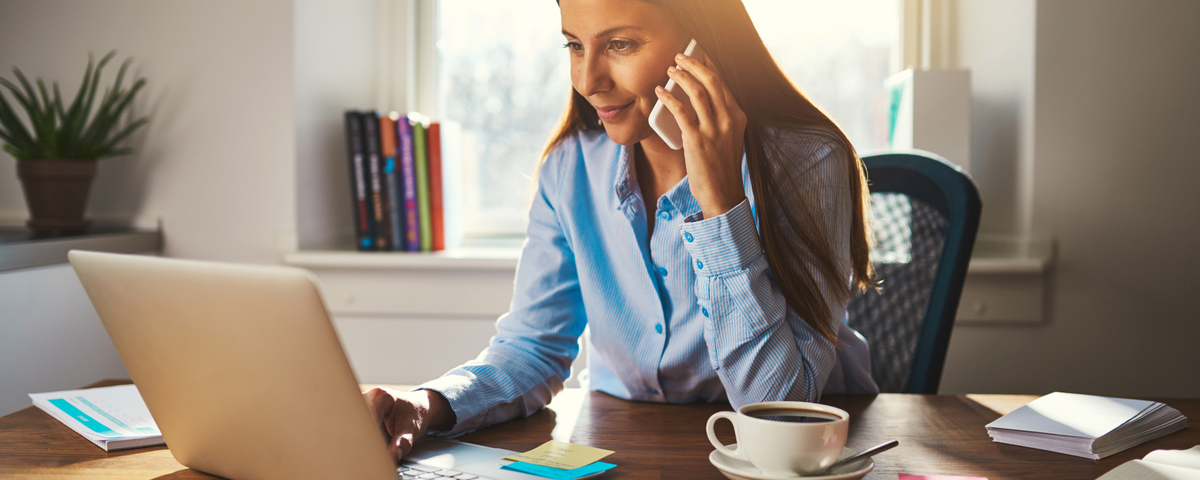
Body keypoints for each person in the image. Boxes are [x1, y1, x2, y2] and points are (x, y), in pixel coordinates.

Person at [364, 0, 879, 461]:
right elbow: (532, 349)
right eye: (573, 45)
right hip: (621, 447)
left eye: (621, 44)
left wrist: (721, 203)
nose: (589, 80)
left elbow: (778, 409)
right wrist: (428, 402)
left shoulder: (809, 163)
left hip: (797, 460)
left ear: (703, 43)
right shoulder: (570, 169)